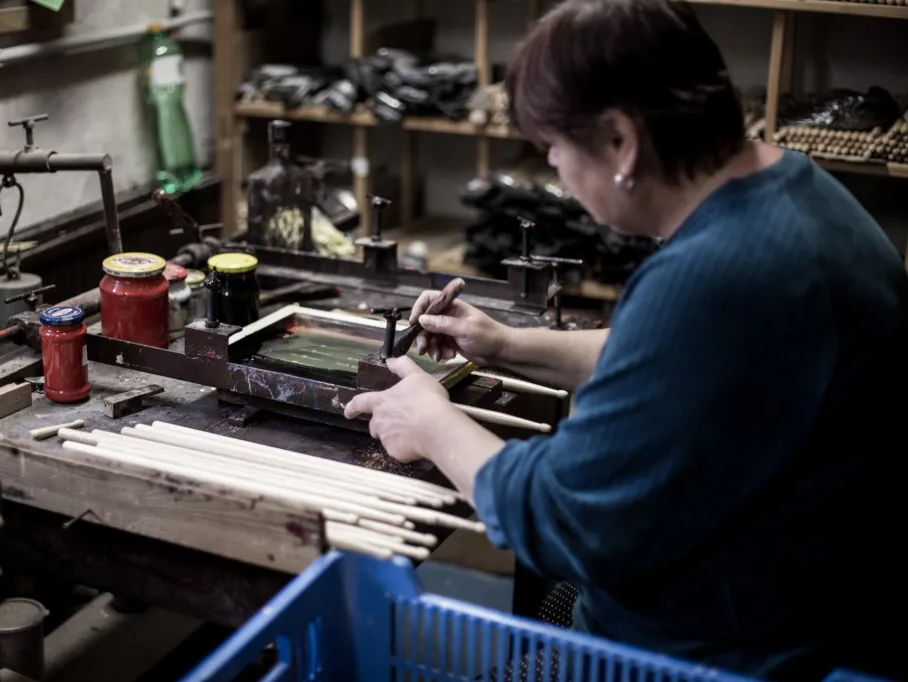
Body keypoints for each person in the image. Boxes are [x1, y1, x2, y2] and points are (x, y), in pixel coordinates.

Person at [343, 0, 908, 679]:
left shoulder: (715, 275)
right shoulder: (791, 190)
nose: (554, 170)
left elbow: (563, 521)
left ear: (619, 141)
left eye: (555, 148)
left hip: (715, 652)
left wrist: (431, 423)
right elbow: (678, 366)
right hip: (785, 591)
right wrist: (507, 344)